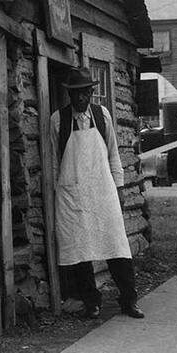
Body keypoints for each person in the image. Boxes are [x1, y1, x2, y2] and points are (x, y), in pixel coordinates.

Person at [49, 66, 144, 320]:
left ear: (91, 92)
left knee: (116, 244)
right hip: (73, 194)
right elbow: (55, 163)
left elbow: (113, 155)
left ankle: (129, 300)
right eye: (76, 93)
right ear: (70, 94)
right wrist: (59, 192)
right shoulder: (58, 120)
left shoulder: (103, 117)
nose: (81, 98)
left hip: (103, 190)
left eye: (85, 93)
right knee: (80, 248)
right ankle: (92, 302)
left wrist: (120, 188)